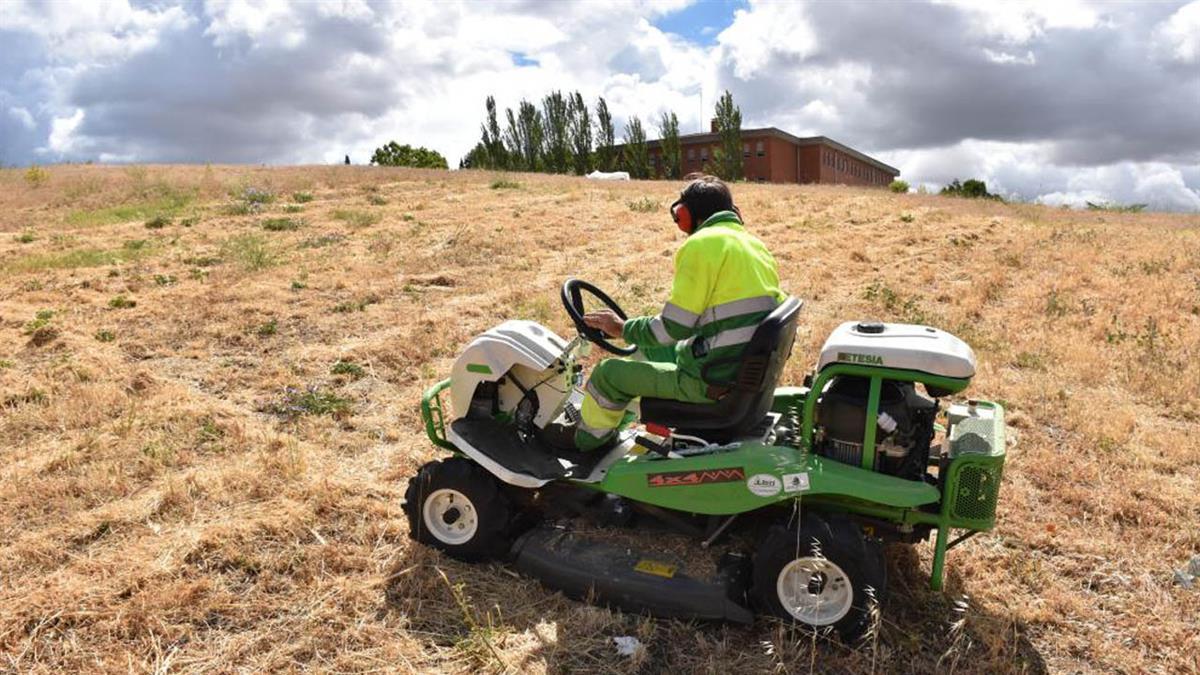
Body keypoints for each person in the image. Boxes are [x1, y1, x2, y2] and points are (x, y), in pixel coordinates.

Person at [573, 175, 785, 451]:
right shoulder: (754, 245)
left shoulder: (700, 246)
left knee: (607, 374)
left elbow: (674, 328)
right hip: (734, 367)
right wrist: (632, 330)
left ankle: (586, 444)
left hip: (709, 381)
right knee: (645, 348)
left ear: (685, 215)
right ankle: (620, 417)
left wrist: (621, 328)